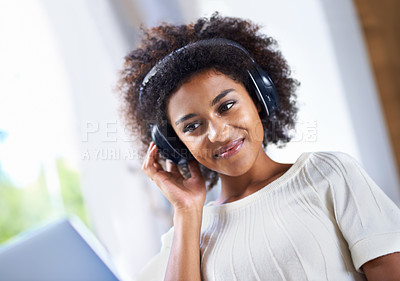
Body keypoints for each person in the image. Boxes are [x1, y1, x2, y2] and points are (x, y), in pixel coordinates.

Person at [118, 13, 400, 281]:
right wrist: (187, 210)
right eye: (192, 126)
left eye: (226, 106)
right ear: (176, 145)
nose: (218, 133)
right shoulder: (185, 235)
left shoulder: (327, 175)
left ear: (259, 98)